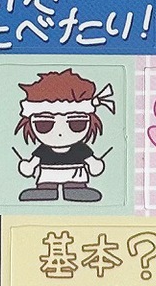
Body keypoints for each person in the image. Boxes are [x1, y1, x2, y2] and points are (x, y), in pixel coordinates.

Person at [14, 69, 114, 203]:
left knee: (75, 187)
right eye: (44, 125)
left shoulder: (81, 149)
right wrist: (28, 166)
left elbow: (91, 161)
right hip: (48, 175)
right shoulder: (43, 150)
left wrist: (95, 165)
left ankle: (76, 190)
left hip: (75, 175)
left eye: (76, 124)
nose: (60, 133)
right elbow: (34, 162)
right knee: (47, 185)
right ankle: (46, 191)